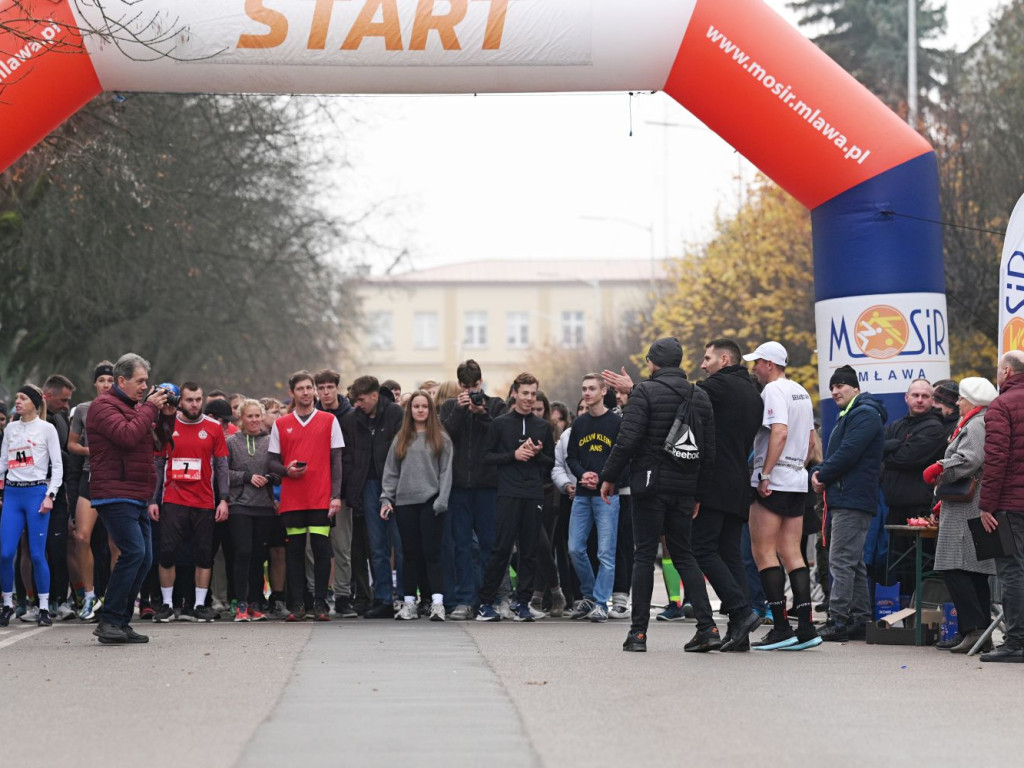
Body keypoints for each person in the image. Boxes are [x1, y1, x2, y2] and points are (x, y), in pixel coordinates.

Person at [599, 338, 718, 653]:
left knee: (643, 554)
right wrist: (699, 494)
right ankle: (707, 628)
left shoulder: (644, 393)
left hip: (649, 487)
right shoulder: (700, 396)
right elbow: (708, 452)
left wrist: (609, 476)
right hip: (684, 488)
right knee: (684, 555)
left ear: (653, 363)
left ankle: (638, 634)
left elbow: (627, 440)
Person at [86, 353, 175, 644]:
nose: (145, 387)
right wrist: (149, 408)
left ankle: (121, 622)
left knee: (145, 558)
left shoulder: (135, 407)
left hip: (136, 491)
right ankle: (109, 620)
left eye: (147, 382)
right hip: (114, 492)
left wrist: (166, 417)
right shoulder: (102, 406)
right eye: (140, 381)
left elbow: (158, 443)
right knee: (134, 553)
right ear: (121, 380)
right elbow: (126, 436)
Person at [743, 341, 821, 651]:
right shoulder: (801, 390)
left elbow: (780, 431)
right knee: (792, 553)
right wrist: (795, 467)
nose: (754, 368)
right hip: (796, 480)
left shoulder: (773, 391)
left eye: (757, 363)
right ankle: (805, 627)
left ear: (770, 365)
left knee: (763, 552)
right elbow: (811, 437)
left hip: (774, 479)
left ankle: (780, 627)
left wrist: (765, 474)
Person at [694, 339, 765, 651]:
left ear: (724, 359)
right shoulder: (753, 392)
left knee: (701, 547)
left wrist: (641, 388)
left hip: (715, 482)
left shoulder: (717, 387)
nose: (703, 364)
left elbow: (683, 396)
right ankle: (741, 633)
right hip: (739, 482)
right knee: (730, 554)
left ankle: (741, 610)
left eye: (707, 358)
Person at [810, 364, 887, 643]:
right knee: (852, 562)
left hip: (851, 498)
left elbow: (848, 452)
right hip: (848, 496)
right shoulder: (853, 413)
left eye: (841, 385)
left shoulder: (863, 414)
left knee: (840, 560)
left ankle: (838, 619)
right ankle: (859, 618)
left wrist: (821, 473)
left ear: (855, 387)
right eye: (832, 387)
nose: (835, 391)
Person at [922, 377, 998, 653]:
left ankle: (974, 629)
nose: (957, 402)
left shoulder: (977, 424)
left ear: (973, 400)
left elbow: (970, 459)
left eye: (961, 397)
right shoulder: (975, 421)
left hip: (968, 506)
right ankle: (979, 632)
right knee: (973, 571)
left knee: (954, 567)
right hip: (966, 504)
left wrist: (941, 467)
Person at [476, 373, 554, 622]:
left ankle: (523, 603)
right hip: (508, 493)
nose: (529, 398)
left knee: (529, 550)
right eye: (525, 393)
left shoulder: (543, 426)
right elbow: (486, 457)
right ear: (514, 393)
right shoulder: (500, 424)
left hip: (533, 493)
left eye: (533, 394)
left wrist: (537, 454)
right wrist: (514, 455)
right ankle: (486, 603)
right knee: (501, 549)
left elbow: (550, 464)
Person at [269, 371, 344, 622]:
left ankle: (320, 603)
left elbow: (337, 461)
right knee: (295, 551)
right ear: (292, 393)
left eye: (308, 388)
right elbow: (271, 461)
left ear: (313, 391)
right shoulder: (281, 423)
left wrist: (335, 495)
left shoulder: (329, 420)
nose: (305, 392)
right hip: (293, 499)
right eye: (300, 388)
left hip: (321, 497)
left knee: (322, 549)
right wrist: (286, 470)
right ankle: (298, 604)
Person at [440, 359, 508, 620]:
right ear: (459, 385)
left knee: (491, 545)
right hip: (458, 487)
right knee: (462, 546)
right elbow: (443, 440)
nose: (471, 391)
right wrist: (459, 411)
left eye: (475, 386)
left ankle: (489, 599)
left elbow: (501, 438)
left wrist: (483, 415)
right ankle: (465, 599)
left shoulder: (496, 405)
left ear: (482, 382)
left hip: (488, 487)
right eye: (466, 387)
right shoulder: (449, 406)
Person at [380, 391, 453, 621]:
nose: (420, 410)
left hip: (431, 502)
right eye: (416, 406)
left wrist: (442, 499)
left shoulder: (440, 438)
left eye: (424, 406)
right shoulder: (401, 438)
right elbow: (391, 472)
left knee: (432, 553)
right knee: (409, 554)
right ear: (409, 410)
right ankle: (409, 603)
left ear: (430, 410)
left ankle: (437, 603)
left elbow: (446, 471)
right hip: (405, 503)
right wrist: (386, 498)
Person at [0, 385, 64, 627]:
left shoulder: (47, 429)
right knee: (5, 553)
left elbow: (57, 467)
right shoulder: (11, 428)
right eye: (17, 397)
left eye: (23, 398)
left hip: (37, 494)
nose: (18, 401)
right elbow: (3, 462)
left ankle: (44, 607)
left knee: (37, 554)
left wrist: (50, 495)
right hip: (13, 495)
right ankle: (8, 604)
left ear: (35, 404)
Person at [341, 375, 404, 619]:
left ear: (375, 396)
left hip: (396, 485)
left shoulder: (396, 414)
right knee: (376, 547)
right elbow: (349, 456)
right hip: (367, 486)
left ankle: (406, 597)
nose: (357, 404)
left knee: (399, 545)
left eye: (362, 399)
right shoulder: (352, 419)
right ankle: (383, 598)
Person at [978, 351, 1024, 663]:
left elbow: (996, 459)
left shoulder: (1001, 405)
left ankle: (1016, 642)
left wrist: (986, 506)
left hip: (1010, 503)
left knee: (1012, 572)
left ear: (1006, 372)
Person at [566, 373, 622, 622]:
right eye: (584, 388)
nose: (586, 393)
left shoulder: (616, 423)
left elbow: (624, 458)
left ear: (603, 391)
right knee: (575, 548)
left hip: (607, 495)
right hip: (582, 495)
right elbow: (572, 457)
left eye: (591, 389)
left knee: (605, 552)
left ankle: (600, 601)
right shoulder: (579, 424)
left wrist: (602, 477)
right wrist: (581, 474)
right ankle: (589, 595)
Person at [880, 379, 947, 588]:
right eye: (915, 395)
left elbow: (908, 458)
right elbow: (877, 452)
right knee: (896, 569)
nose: (919, 400)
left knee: (919, 569)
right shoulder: (896, 425)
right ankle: (901, 613)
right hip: (894, 507)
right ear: (906, 398)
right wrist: (891, 449)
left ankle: (920, 615)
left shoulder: (935, 428)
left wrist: (888, 453)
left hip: (920, 510)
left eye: (925, 396)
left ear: (932, 400)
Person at [67, 361, 117, 622]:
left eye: (111, 381)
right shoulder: (84, 410)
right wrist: (91, 451)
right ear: (95, 384)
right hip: (90, 477)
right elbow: (72, 445)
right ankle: (89, 596)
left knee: (115, 544)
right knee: (81, 537)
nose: (106, 385)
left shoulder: (125, 408)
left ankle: (115, 597)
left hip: (116, 480)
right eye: (102, 381)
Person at [227, 399, 281, 622]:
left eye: (258, 416)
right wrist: (247, 477)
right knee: (243, 552)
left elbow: (279, 472)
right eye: (250, 416)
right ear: (241, 418)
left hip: (264, 507)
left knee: (259, 557)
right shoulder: (231, 442)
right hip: (239, 505)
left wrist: (269, 478)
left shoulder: (271, 442)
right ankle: (240, 603)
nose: (255, 420)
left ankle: (255, 603)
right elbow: (223, 473)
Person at [314, 369, 356, 618]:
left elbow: (352, 455)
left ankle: (342, 595)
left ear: (337, 387)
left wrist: (343, 488)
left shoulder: (350, 416)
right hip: (315, 489)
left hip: (342, 489)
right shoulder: (311, 415)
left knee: (342, 545)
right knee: (314, 546)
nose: (326, 392)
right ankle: (314, 592)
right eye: (322, 388)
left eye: (330, 387)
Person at [41, 373, 76, 620]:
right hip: (30, 492)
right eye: (63, 400)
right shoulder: (20, 423)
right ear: (47, 396)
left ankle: (60, 599)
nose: (66, 406)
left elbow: (67, 456)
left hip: (59, 492)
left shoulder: (62, 419)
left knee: (58, 548)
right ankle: (34, 601)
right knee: (32, 551)